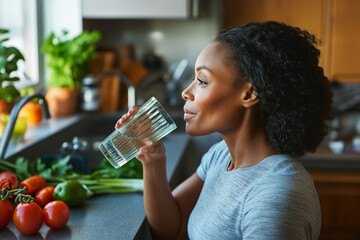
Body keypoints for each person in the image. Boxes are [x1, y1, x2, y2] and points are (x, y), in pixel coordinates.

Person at [116, 21, 332, 240]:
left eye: (202, 80)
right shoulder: (221, 156)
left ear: (248, 94)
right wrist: (153, 160)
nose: (186, 92)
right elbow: (173, 227)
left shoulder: (276, 195)